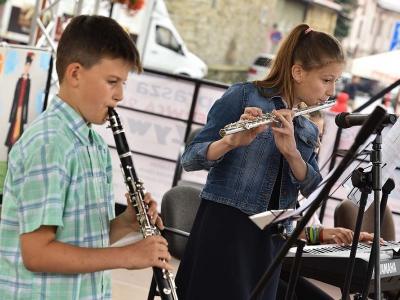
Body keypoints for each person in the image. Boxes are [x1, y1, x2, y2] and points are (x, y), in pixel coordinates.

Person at [0, 15, 172, 299]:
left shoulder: (94, 145)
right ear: (75, 74)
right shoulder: (50, 145)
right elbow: (37, 254)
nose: (120, 95)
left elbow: (85, 238)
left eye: (123, 83)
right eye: (112, 81)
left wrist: (127, 222)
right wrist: (127, 256)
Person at [175, 23, 346, 300]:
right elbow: (191, 159)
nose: (332, 90)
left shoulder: (307, 126)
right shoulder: (243, 95)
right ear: (298, 72)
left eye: (336, 80)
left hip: (271, 236)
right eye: (327, 80)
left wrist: (292, 152)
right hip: (226, 226)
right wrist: (229, 142)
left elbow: (314, 188)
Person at [276, 110, 380, 300]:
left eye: (320, 136)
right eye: (309, 138)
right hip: (263, 264)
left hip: (282, 265)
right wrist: (324, 235)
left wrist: (342, 236)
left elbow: (308, 231)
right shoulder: (273, 180)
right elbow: (277, 233)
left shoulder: (304, 180)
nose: (318, 145)